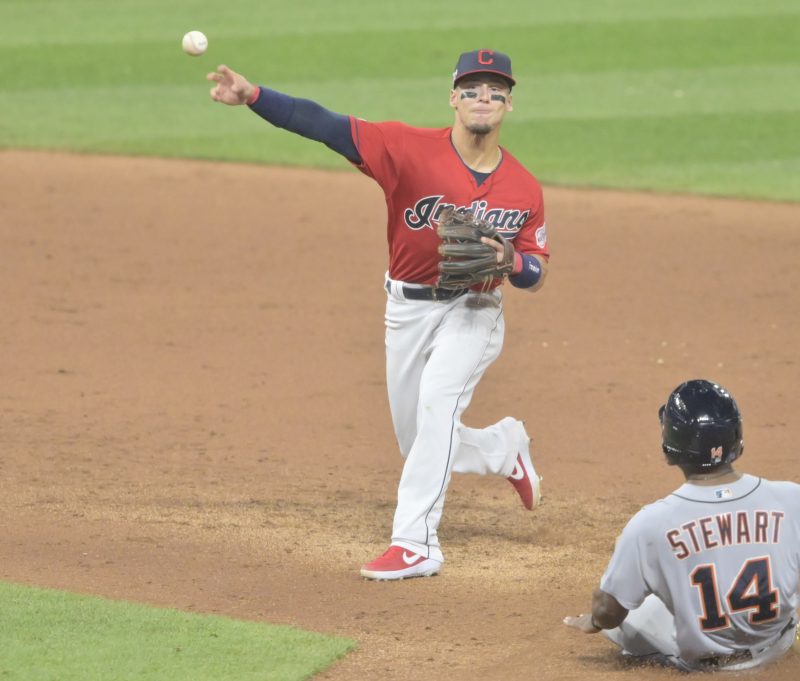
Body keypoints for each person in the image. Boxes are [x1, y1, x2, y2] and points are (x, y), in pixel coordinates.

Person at [206, 49, 549, 580]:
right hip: (407, 308)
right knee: (419, 442)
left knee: (438, 403)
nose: (484, 98)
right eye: (473, 89)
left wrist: (513, 259)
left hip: (474, 309)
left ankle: (416, 543)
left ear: (509, 103)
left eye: (496, 90)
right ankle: (503, 450)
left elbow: (535, 272)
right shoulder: (405, 148)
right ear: (453, 98)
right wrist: (254, 97)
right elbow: (324, 125)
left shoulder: (524, 187)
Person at [564, 380, 800, 672]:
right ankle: (794, 638)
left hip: (706, 668)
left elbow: (608, 609)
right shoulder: (791, 499)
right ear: (737, 441)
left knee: (630, 616)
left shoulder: (650, 525)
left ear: (669, 448)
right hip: (776, 649)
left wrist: (595, 620)